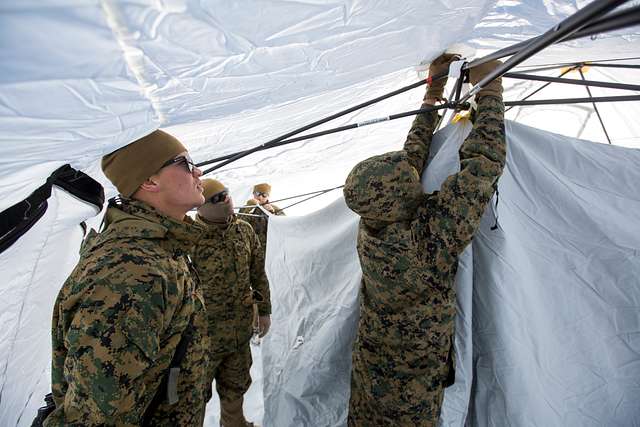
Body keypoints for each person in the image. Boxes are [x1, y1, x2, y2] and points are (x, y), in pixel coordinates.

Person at [343, 53, 506, 426]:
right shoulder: (425, 241)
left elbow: (410, 157)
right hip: (409, 391)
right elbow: (484, 164)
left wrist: (432, 96)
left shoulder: (373, 223)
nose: (412, 170)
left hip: (371, 367)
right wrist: (491, 91)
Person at [44, 130, 210, 426]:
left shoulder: (162, 247)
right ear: (149, 180)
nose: (199, 171)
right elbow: (99, 415)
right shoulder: (131, 272)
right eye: (185, 163)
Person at [193, 179, 271, 427]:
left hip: (239, 331)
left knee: (236, 385)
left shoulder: (244, 231)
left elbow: (258, 273)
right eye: (216, 198)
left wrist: (265, 311)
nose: (225, 200)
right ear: (200, 207)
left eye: (225, 194)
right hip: (203, 339)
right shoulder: (189, 238)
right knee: (194, 395)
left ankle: (234, 423)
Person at [240, 183, 285, 253]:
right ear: (253, 194)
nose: (260, 197)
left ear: (268, 196)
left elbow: (284, 225)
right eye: (258, 193)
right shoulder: (246, 208)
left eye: (264, 195)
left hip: (268, 249)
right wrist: (248, 208)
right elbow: (238, 224)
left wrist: (272, 213)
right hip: (249, 248)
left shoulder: (275, 209)